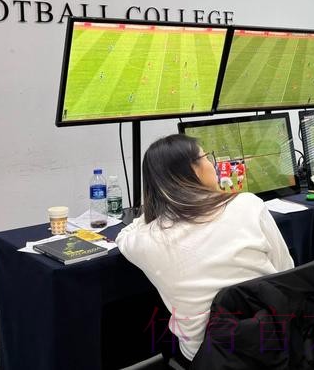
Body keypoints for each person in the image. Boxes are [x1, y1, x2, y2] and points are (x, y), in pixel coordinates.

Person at [116, 134, 294, 362]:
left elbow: (124, 236)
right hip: (275, 341)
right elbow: (286, 272)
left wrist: (158, 205)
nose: (213, 164)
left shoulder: (145, 240)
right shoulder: (247, 204)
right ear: (193, 170)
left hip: (208, 356)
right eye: (207, 157)